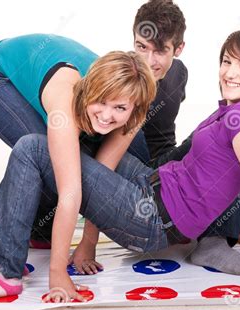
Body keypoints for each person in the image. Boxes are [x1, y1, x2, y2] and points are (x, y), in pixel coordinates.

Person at [0, 27, 240, 304]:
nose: (230, 72)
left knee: (32, 148)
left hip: (152, 221)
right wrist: (87, 241)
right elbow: (227, 179)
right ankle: (3, 250)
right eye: (228, 61)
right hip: (152, 185)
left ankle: (3, 272)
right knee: (80, 156)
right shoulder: (237, 108)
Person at [0, 38, 156, 302]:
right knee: (42, 153)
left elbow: (100, 174)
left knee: (74, 161)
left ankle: (38, 232)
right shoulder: (67, 98)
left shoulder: (135, 107)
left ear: (133, 108)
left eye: (119, 108)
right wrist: (58, 272)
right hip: (0, 78)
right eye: (102, 102)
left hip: (56, 81)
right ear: (90, 91)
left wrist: (88, 244)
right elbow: (71, 192)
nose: (107, 115)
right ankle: (0, 266)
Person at [32, 0, 188, 248]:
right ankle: (41, 223)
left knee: (215, 137)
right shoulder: (132, 80)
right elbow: (106, 163)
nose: (148, 60)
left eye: (160, 51)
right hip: (127, 156)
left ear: (178, 48)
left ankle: (221, 228)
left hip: (155, 163)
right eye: (141, 47)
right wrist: (88, 242)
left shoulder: (179, 73)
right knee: (48, 150)